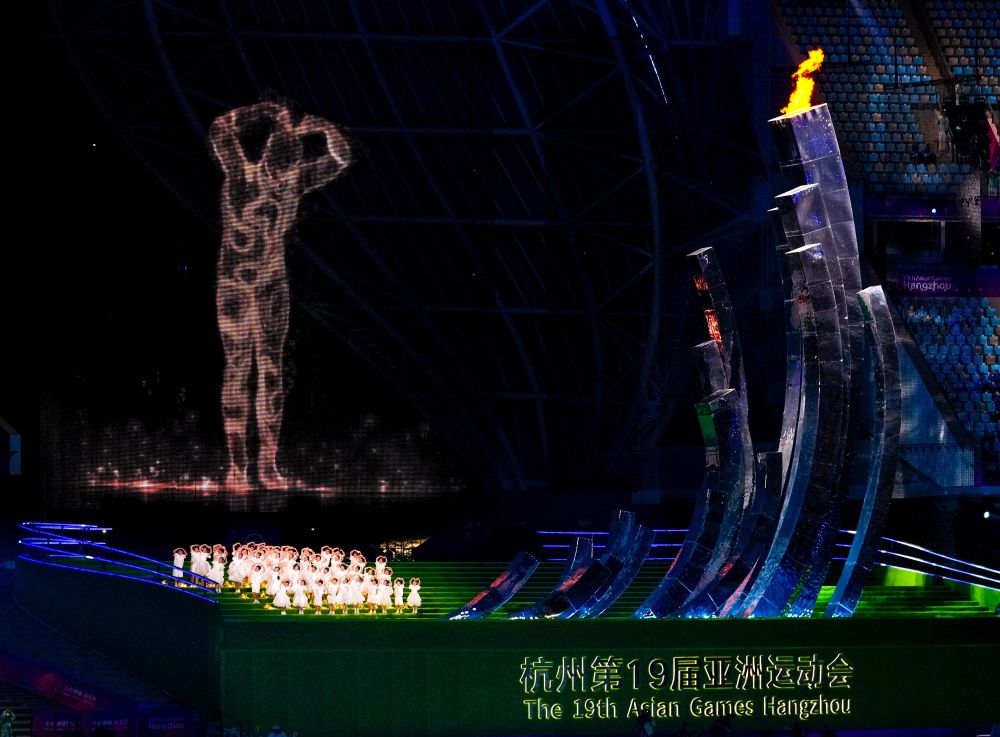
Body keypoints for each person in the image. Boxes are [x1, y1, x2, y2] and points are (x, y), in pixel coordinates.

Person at [209, 100, 352, 490]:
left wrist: (324, 128)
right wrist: (262, 111)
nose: (282, 172)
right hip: (236, 282)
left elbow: (340, 159)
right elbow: (220, 130)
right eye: (279, 164)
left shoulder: (294, 183)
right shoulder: (241, 173)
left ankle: (268, 464)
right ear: (268, 156)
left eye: (289, 165)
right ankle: (237, 466)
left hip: (272, 282)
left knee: (271, 368)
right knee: (238, 367)